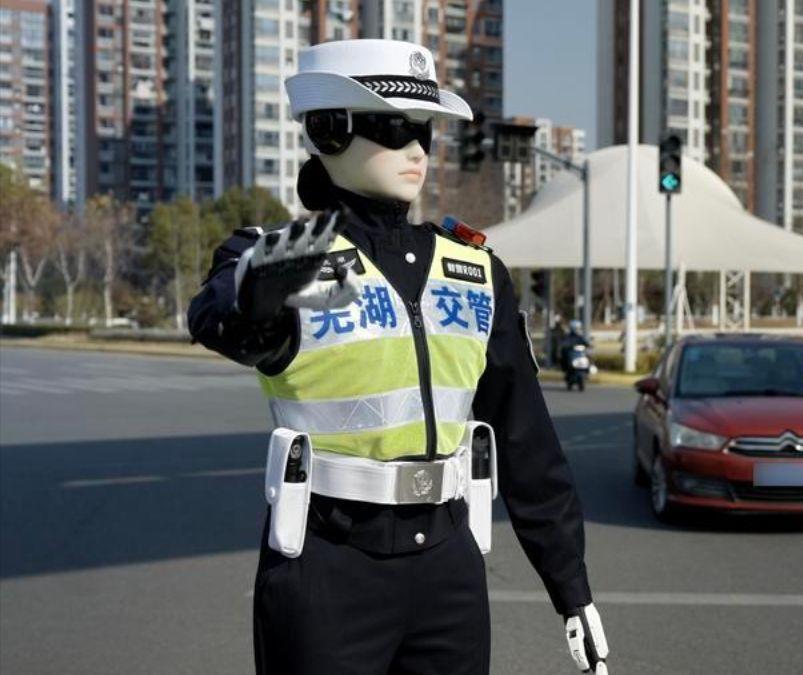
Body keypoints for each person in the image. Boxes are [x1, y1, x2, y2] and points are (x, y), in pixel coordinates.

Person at [187, 40, 608, 675]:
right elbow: (221, 317)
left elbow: (527, 439)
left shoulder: (473, 271)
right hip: (327, 569)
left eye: (424, 130)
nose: (415, 148)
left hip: (449, 571)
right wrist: (253, 292)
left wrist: (570, 586)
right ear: (328, 130)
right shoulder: (281, 263)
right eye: (391, 127)